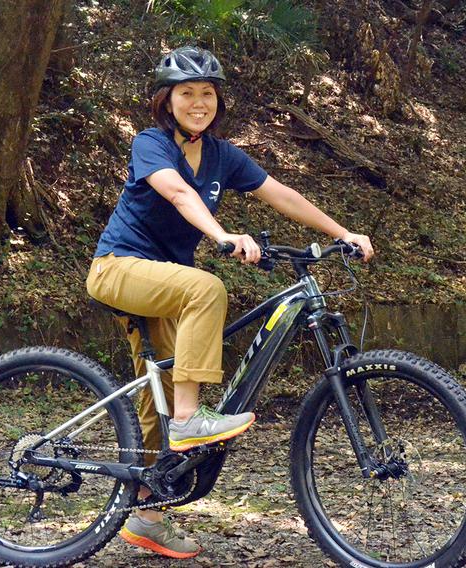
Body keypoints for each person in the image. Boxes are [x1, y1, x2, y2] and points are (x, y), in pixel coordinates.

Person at [86, 46, 374, 559]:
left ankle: (147, 513)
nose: (198, 102)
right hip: (119, 267)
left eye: (207, 94)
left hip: (164, 282)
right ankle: (190, 422)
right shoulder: (151, 144)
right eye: (187, 93)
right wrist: (222, 235)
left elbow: (280, 194)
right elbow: (177, 192)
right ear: (166, 100)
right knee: (206, 287)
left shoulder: (222, 155)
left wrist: (341, 230)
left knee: (167, 386)